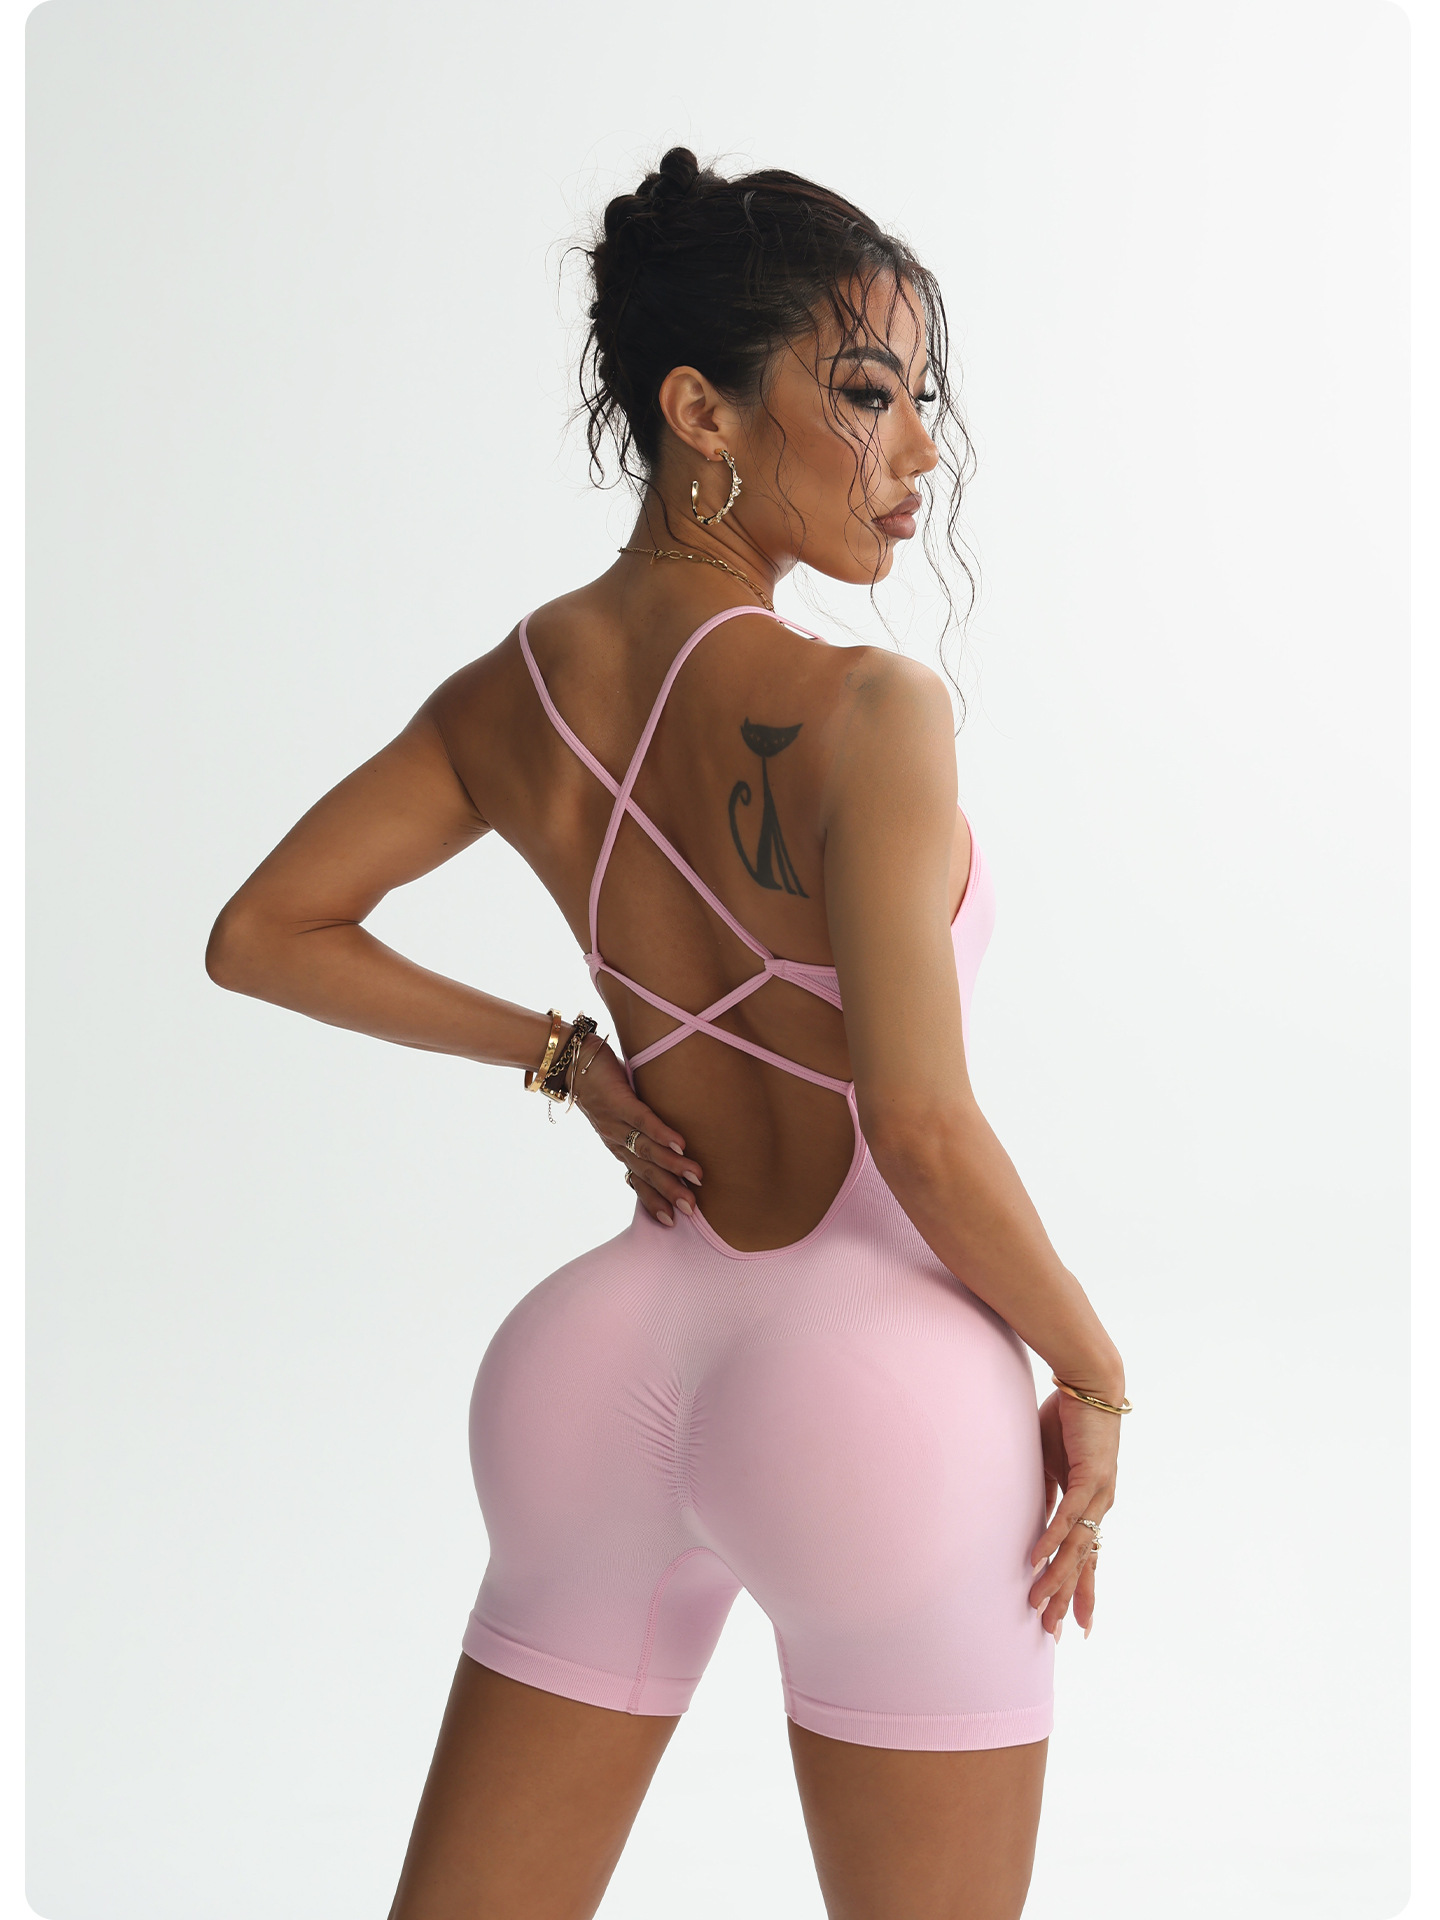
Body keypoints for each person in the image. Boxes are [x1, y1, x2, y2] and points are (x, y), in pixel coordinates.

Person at [206, 145, 1128, 1920]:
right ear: (700, 409)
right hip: (877, 1406)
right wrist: (1090, 1373)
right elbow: (920, 1133)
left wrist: (562, 1056)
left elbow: (265, 936)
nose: (918, 451)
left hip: (596, 1375)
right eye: (866, 393)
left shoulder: (513, 691)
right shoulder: (873, 708)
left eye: (920, 400)